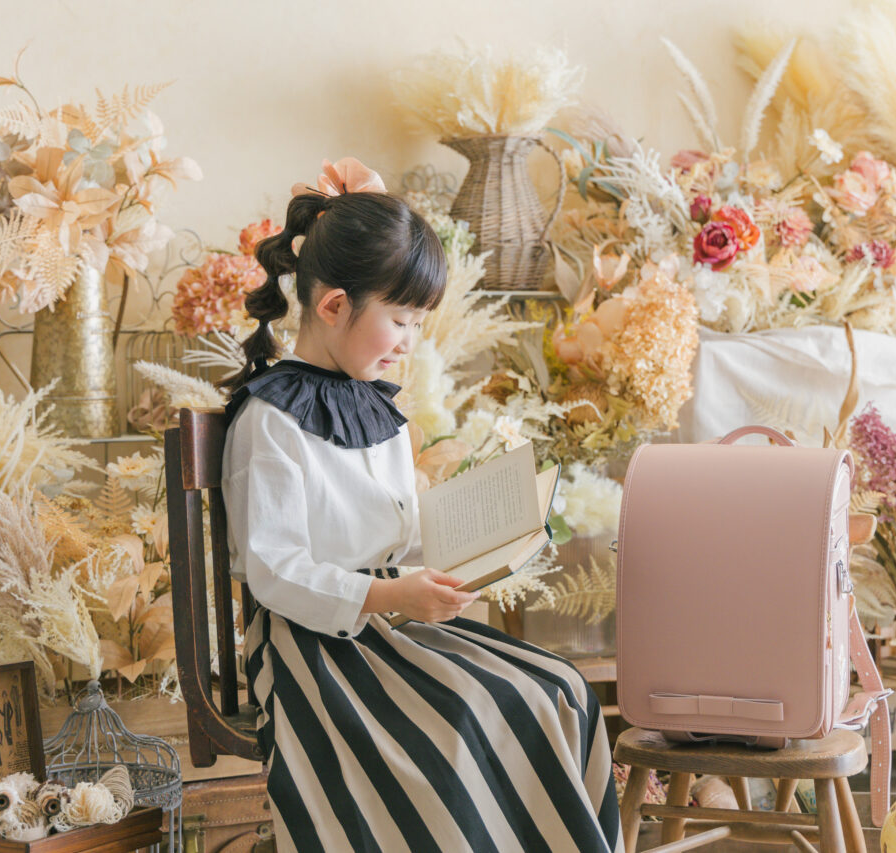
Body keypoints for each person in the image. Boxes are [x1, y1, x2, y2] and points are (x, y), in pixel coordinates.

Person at [221, 157, 622, 853]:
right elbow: (273, 570)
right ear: (333, 306)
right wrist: (390, 598)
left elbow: (400, 534)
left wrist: (460, 561)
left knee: (561, 686)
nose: (410, 343)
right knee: (474, 708)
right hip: (314, 644)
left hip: (390, 623)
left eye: (418, 323)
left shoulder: (380, 408)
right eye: (401, 320)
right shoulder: (271, 419)